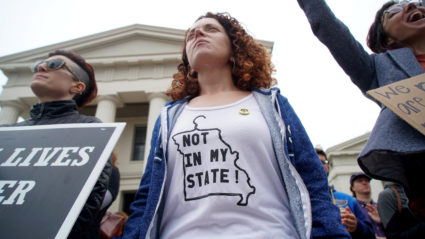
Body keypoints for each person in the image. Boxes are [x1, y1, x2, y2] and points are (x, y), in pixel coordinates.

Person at [122, 12, 350, 239]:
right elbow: (146, 196)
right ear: (189, 66)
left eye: (211, 29)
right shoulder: (168, 117)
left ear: (234, 51)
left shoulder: (272, 106)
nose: (198, 33)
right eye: (191, 35)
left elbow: (312, 181)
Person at [295, 0, 425, 216]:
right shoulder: (377, 69)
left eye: (418, 4)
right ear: (387, 39)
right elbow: (327, 27)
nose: (412, 7)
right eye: (393, 12)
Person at [8, 49, 113, 238]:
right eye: (38, 64)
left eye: (54, 65)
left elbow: (88, 201)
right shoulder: (8, 133)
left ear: (77, 87)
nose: (41, 67)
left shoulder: (90, 129)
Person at [316, 148, 375, 239]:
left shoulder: (348, 200)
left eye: (323, 162)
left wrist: (356, 226)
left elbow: (370, 233)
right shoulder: (297, 199)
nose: (320, 165)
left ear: (328, 167)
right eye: (316, 161)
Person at [350, 172, 386, 238]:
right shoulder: (352, 208)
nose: (364, 183)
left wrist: (382, 221)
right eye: (360, 181)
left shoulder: (380, 206)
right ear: (353, 188)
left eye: (367, 181)